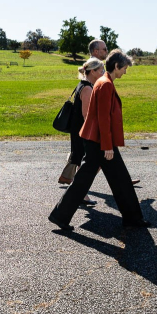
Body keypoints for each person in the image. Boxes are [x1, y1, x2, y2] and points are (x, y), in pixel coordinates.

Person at [49, 49, 149, 230]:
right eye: (124, 68)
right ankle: (133, 219)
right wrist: (108, 146)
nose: (125, 72)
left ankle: (60, 216)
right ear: (116, 66)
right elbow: (103, 118)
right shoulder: (105, 84)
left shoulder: (104, 82)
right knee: (109, 178)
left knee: (114, 179)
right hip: (99, 141)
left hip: (97, 139)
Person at [56, 58, 103, 209]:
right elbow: (87, 115)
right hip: (84, 132)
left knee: (84, 162)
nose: (103, 73)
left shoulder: (83, 85)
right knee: (93, 163)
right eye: (101, 70)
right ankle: (79, 190)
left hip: (79, 131)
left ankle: (80, 191)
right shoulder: (88, 88)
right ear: (93, 71)